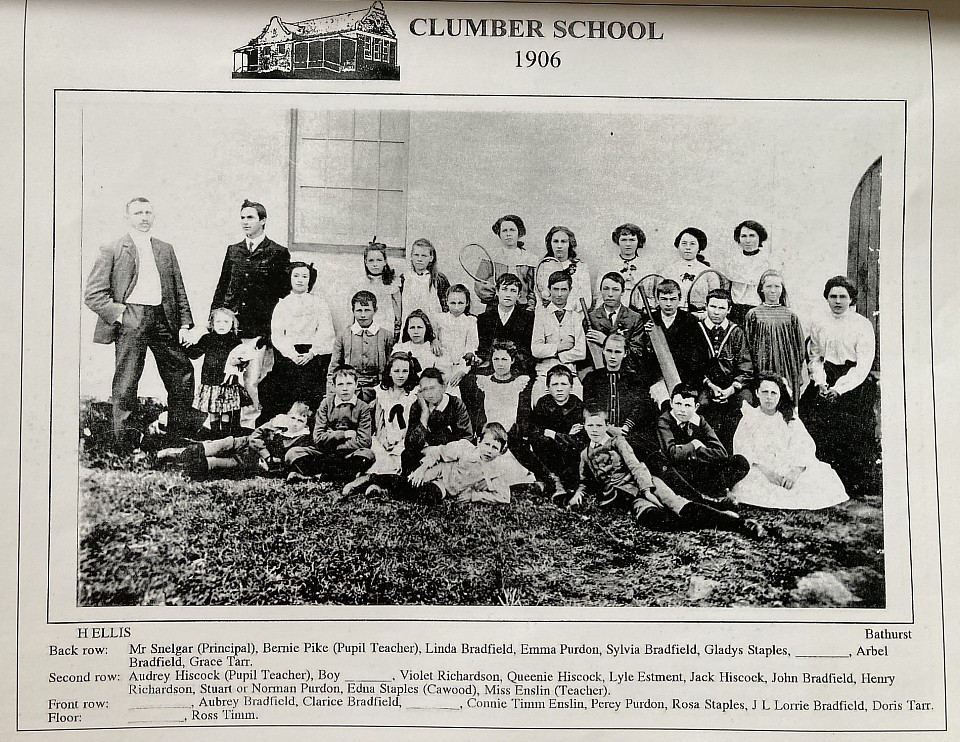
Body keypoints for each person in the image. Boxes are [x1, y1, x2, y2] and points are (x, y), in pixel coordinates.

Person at [84, 196, 196, 448]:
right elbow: (93, 294)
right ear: (127, 218)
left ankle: (177, 437)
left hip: (163, 317)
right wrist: (121, 314)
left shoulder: (165, 248)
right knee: (127, 380)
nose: (144, 218)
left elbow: (178, 288)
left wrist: (185, 323)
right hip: (131, 316)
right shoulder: (112, 248)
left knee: (182, 372)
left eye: (148, 212)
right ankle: (124, 442)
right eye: (138, 213)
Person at [569, 408, 765, 539]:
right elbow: (585, 480)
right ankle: (711, 519)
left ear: (607, 426)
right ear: (584, 426)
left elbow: (636, 465)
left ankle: (737, 523)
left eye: (599, 425)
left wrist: (646, 490)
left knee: (679, 505)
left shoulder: (618, 441)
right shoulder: (584, 454)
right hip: (628, 498)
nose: (594, 430)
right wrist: (579, 492)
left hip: (647, 484)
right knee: (659, 521)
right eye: (590, 425)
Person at [210, 199, 291, 430]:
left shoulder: (277, 253)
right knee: (225, 379)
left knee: (251, 381)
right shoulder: (233, 250)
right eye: (243, 217)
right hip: (230, 329)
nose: (245, 222)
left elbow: (282, 296)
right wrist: (215, 320)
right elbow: (222, 286)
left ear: (263, 221)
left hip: (258, 331)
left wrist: (269, 333)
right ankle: (225, 430)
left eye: (251, 218)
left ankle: (248, 430)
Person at [799, 276, 878, 493]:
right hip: (826, 376)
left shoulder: (862, 324)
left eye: (843, 296)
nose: (837, 301)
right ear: (826, 298)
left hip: (853, 383)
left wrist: (839, 389)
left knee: (851, 428)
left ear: (851, 299)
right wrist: (821, 384)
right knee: (809, 415)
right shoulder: (819, 321)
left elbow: (863, 365)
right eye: (833, 296)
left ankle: (854, 485)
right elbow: (814, 356)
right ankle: (820, 481)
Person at [732, 373, 848, 509]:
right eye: (764, 392)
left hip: (788, 466)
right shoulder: (749, 418)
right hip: (761, 468)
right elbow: (743, 449)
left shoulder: (789, 418)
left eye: (773, 393)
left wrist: (795, 471)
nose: (769, 397)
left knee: (818, 477)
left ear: (780, 395)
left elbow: (804, 445)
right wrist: (768, 472)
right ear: (757, 393)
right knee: (752, 485)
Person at [344, 423, 517, 505]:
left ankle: (381, 490)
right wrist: (422, 469)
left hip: (448, 489)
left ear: (501, 450)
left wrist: (475, 496)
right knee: (411, 482)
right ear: (479, 441)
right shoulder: (464, 448)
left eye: (494, 447)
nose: (489, 450)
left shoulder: (496, 470)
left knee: (428, 498)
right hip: (438, 474)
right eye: (486, 444)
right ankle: (369, 479)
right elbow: (438, 452)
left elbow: (504, 497)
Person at [257, 262, 335, 424]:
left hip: (313, 358)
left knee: (312, 392)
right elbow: (278, 335)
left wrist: (312, 353)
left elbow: (326, 332)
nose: (300, 280)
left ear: (310, 280)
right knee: (276, 390)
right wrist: (292, 355)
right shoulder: (283, 305)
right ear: (290, 278)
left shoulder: (319, 303)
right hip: (288, 357)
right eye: (296, 276)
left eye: (305, 276)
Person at [157, 402, 311, 478]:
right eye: (293, 418)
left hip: (248, 461)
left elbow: (286, 460)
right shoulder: (278, 423)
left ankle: (179, 466)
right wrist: (267, 455)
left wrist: (270, 466)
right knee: (205, 449)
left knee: (208, 464)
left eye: (300, 420)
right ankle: (168, 454)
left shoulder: (302, 438)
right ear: (287, 415)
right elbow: (255, 436)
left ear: (306, 423)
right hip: (240, 444)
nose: (295, 423)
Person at [656, 383, 751, 504]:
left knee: (740, 462)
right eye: (678, 404)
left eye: (687, 405)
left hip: (702, 466)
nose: (682, 410)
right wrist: (693, 444)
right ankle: (712, 496)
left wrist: (698, 449)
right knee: (677, 472)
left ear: (695, 407)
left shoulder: (699, 420)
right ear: (671, 403)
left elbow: (721, 452)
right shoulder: (664, 421)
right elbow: (672, 454)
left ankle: (714, 492)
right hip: (682, 470)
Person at [285, 365, 375, 482]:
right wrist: (343, 434)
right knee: (293, 453)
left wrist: (336, 445)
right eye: (340, 384)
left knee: (368, 455)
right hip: (325, 453)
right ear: (334, 386)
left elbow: (365, 440)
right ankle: (341, 475)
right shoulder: (326, 404)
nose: (345, 389)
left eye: (349, 384)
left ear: (356, 384)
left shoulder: (363, 407)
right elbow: (318, 437)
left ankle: (316, 477)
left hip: (348, 453)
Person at [582, 332, 660, 460]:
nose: (612, 356)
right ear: (603, 351)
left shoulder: (635, 379)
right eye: (609, 351)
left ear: (625, 353)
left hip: (628, 433)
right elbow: (591, 407)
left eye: (617, 352)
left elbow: (640, 407)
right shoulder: (592, 379)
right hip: (600, 432)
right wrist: (608, 428)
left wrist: (625, 427)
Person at [696, 288, 754, 451]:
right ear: (706, 306)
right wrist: (710, 385)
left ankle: (737, 449)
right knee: (701, 404)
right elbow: (693, 366)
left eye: (721, 308)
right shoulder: (697, 329)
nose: (716, 312)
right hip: (706, 385)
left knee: (745, 403)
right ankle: (706, 450)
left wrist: (731, 389)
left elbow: (746, 368)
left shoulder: (736, 332)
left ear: (729, 310)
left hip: (732, 386)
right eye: (713, 306)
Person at [743, 269, 805, 405]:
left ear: (782, 289)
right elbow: (747, 344)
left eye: (777, 286)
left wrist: (795, 372)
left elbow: (800, 349)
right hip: (762, 367)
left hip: (787, 369)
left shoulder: (790, 315)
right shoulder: (754, 314)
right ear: (761, 289)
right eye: (768, 286)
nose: (773, 290)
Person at [400, 367, 474, 475]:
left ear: (443, 388)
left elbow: (466, 438)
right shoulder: (417, 407)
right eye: (425, 389)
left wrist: (437, 451)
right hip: (424, 454)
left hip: (449, 456)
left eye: (433, 388)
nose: (429, 394)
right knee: (407, 456)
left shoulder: (455, 404)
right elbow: (411, 444)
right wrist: (424, 414)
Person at [530, 365, 589, 499]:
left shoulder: (578, 406)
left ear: (571, 386)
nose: (559, 388)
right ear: (548, 388)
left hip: (569, 458)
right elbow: (535, 432)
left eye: (564, 384)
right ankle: (552, 481)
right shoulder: (543, 403)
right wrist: (566, 435)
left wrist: (553, 434)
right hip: (548, 455)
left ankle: (562, 484)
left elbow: (579, 440)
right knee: (539, 442)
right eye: (555, 384)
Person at [185, 307, 244, 438]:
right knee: (213, 410)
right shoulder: (207, 338)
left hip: (227, 383)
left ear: (232, 324)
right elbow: (194, 353)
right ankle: (215, 433)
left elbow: (242, 358)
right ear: (212, 323)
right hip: (210, 381)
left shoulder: (235, 341)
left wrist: (241, 361)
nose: (222, 325)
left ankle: (225, 435)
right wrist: (186, 344)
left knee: (226, 410)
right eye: (218, 322)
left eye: (226, 322)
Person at [530, 270, 586, 402]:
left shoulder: (576, 316)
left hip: (569, 373)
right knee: (537, 399)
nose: (559, 294)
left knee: (578, 399)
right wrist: (561, 347)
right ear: (549, 289)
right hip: (544, 373)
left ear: (570, 290)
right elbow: (536, 349)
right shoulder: (541, 314)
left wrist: (557, 354)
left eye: (563, 289)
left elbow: (581, 352)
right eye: (555, 289)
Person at [330, 290, 396, 402]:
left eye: (367, 310)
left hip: (379, 389)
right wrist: (332, 396)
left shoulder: (386, 335)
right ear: (353, 311)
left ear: (375, 311)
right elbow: (334, 367)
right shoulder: (344, 335)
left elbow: (391, 365)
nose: (363, 315)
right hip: (350, 390)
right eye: (359, 310)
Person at [645, 278, 708, 388]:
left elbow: (698, 356)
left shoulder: (690, 320)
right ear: (657, 300)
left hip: (684, 378)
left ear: (680, 299)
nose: (668, 304)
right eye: (664, 299)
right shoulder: (649, 320)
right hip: (656, 377)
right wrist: (647, 336)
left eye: (673, 299)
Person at [367, 352, 422, 475]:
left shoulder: (413, 395)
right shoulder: (382, 393)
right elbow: (379, 422)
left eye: (405, 371)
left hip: (404, 439)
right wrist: (383, 440)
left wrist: (401, 442)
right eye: (396, 371)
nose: (401, 375)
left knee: (400, 459)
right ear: (390, 372)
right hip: (384, 439)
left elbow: (414, 424)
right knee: (378, 456)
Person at [585, 272, 649, 376]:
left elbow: (638, 353)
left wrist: (606, 341)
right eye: (606, 289)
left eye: (615, 290)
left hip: (627, 375)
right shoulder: (591, 318)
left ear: (623, 292)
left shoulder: (634, 318)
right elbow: (586, 356)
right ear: (600, 291)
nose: (610, 294)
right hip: (598, 376)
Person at [474, 215, 537, 309]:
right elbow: (479, 285)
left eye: (512, 230)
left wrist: (530, 307)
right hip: (495, 307)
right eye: (504, 231)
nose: (508, 234)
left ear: (519, 232)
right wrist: (497, 294)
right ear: (499, 233)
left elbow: (532, 289)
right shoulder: (490, 257)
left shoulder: (529, 259)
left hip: (522, 309)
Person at [723, 220, 779, 326]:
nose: (747, 240)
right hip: (736, 310)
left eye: (752, 236)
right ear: (738, 239)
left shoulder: (768, 261)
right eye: (743, 236)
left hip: (760, 310)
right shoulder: (732, 260)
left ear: (760, 238)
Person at [476, 273, 535, 368]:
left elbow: (527, 351)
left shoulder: (528, 318)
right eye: (504, 289)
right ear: (497, 291)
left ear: (519, 295)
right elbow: (483, 351)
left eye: (513, 291)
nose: (508, 295)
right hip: (491, 367)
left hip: (518, 367)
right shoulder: (484, 319)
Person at [659, 227, 718, 311]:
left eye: (692, 244)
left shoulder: (709, 273)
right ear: (678, 245)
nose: (688, 247)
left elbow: (716, 301)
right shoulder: (667, 272)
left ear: (699, 247)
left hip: (699, 315)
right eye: (684, 243)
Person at [356, 240, 402, 340]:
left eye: (379, 260)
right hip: (366, 324)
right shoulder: (362, 283)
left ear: (385, 262)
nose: (375, 264)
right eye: (371, 261)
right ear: (366, 262)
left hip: (386, 323)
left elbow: (397, 304)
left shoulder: (392, 283)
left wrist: (398, 324)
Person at [435, 284, 479, 388]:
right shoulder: (439, 319)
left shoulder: (470, 321)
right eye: (453, 303)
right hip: (440, 365)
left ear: (467, 303)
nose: (456, 307)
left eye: (460, 303)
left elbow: (470, 349)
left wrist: (462, 371)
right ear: (446, 302)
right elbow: (434, 340)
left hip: (460, 367)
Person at [399, 237, 450, 326]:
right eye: (416, 255)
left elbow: (446, 305)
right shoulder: (404, 279)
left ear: (431, 258)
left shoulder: (438, 279)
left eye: (424, 256)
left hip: (433, 322)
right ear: (411, 256)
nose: (419, 259)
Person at [542, 225, 592, 314]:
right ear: (550, 244)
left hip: (574, 317)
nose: (559, 246)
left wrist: (567, 309)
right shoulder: (543, 267)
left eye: (563, 242)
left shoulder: (580, 267)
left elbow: (587, 300)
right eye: (556, 241)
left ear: (570, 244)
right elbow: (540, 299)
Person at [393, 309, 451, 377]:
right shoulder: (400, 348)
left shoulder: (434, 349)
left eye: (419, 327)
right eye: (412, 328)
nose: (416, 331)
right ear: (407, 330)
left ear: (426, 329)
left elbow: (445, 375)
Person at [601, 223, 647, 304]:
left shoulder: (646, 266)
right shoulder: (608, 266)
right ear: (618, 241)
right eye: (624, 240)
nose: (628, 244)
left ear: (638, 242)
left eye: (632, 240)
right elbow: (600, 295)